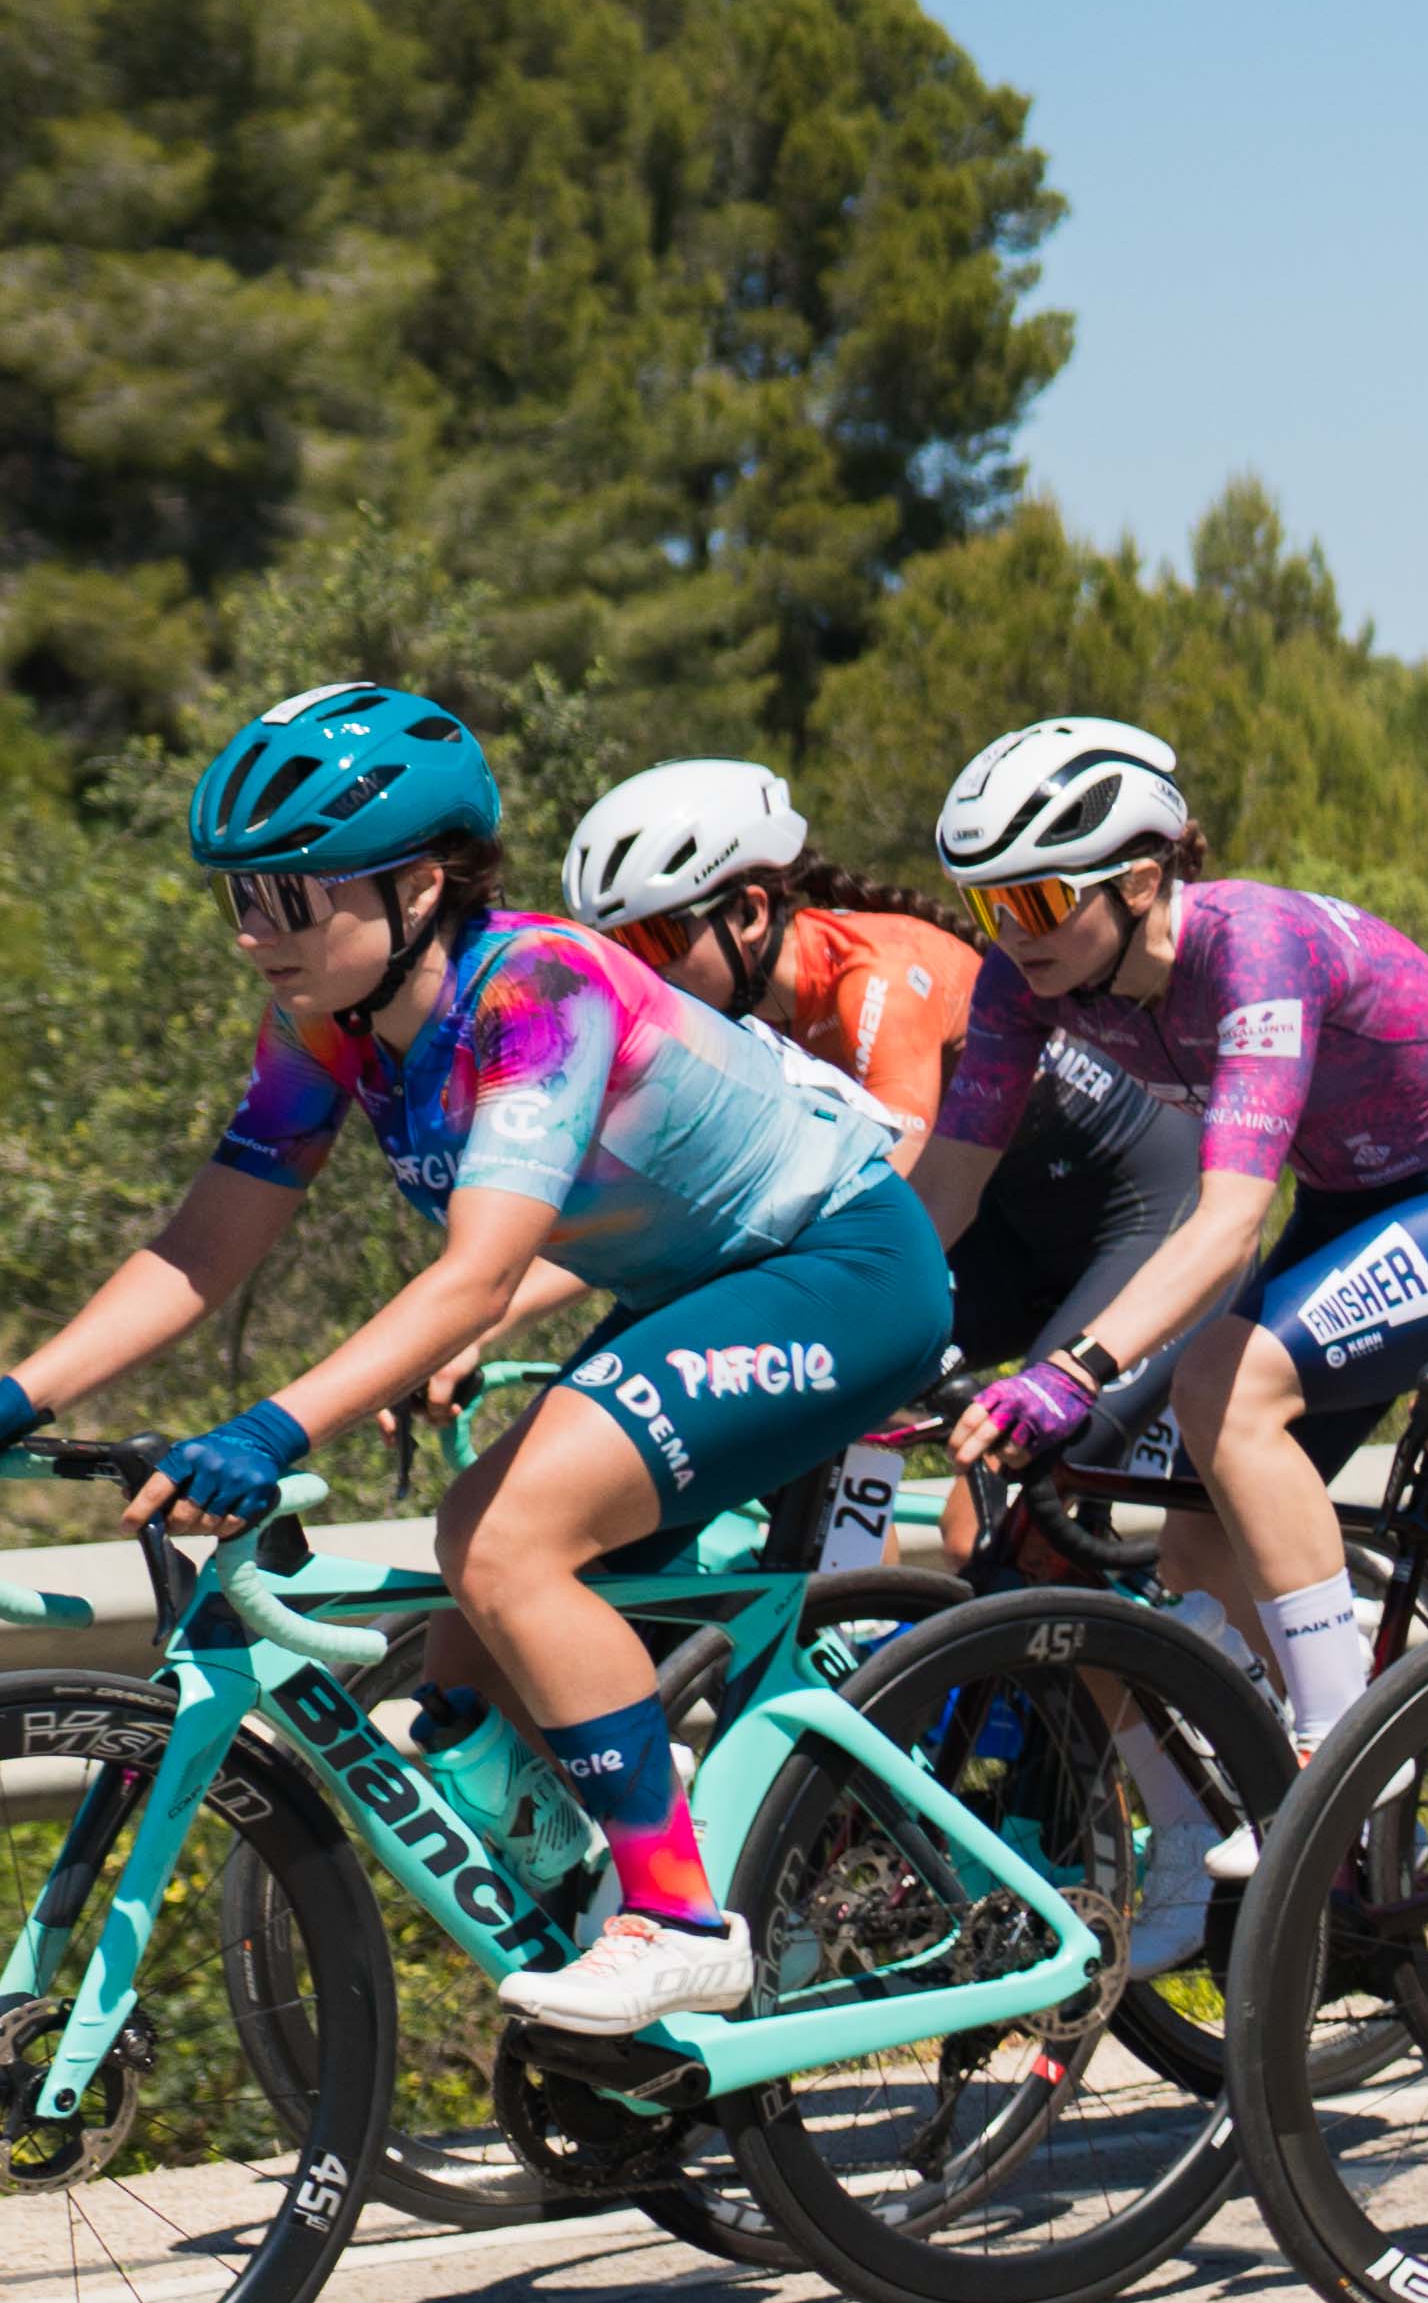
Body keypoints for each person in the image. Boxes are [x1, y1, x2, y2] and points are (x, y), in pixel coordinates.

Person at [0, 685, 950, 2033]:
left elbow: (480, 1280)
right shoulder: (326, 1025)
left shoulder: (538, 992)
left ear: (421, 886)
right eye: (238, 899)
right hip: (697, 1291)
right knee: (461, 1673)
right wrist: (21, 1392)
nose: (256, 935)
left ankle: (679, 1916)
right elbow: (202, 1250)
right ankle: (607, 1926)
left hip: (844, 1273)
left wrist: (273, 1429)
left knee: (499, 1540)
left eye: (291, 895)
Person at [918, 718, 1428, 1770]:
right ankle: (1354, 1861)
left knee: (1223, 1384)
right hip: (1353, 1200)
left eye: (1037, 900)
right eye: (987, 904)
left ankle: (1349, 1758)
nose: (1011, 931)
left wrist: (1073, 1370)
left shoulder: (1254, 947)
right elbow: (944, 1195)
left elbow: (1229, 1217)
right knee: (1197, 1538)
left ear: (1138, 879)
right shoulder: (1022, 984)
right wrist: (853, 1341)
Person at [561, 758, 1211, 1582]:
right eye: (614, 952)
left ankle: (1147, 1699)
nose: (639, 975)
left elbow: (899, 1194)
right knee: (816, 1408)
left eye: (654, 940)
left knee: (987, 1520)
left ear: (750, 913)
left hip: (1137, 1220)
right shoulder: (732, 1025)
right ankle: (861, 1628)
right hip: (1001, 1234)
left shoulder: (871, 981)